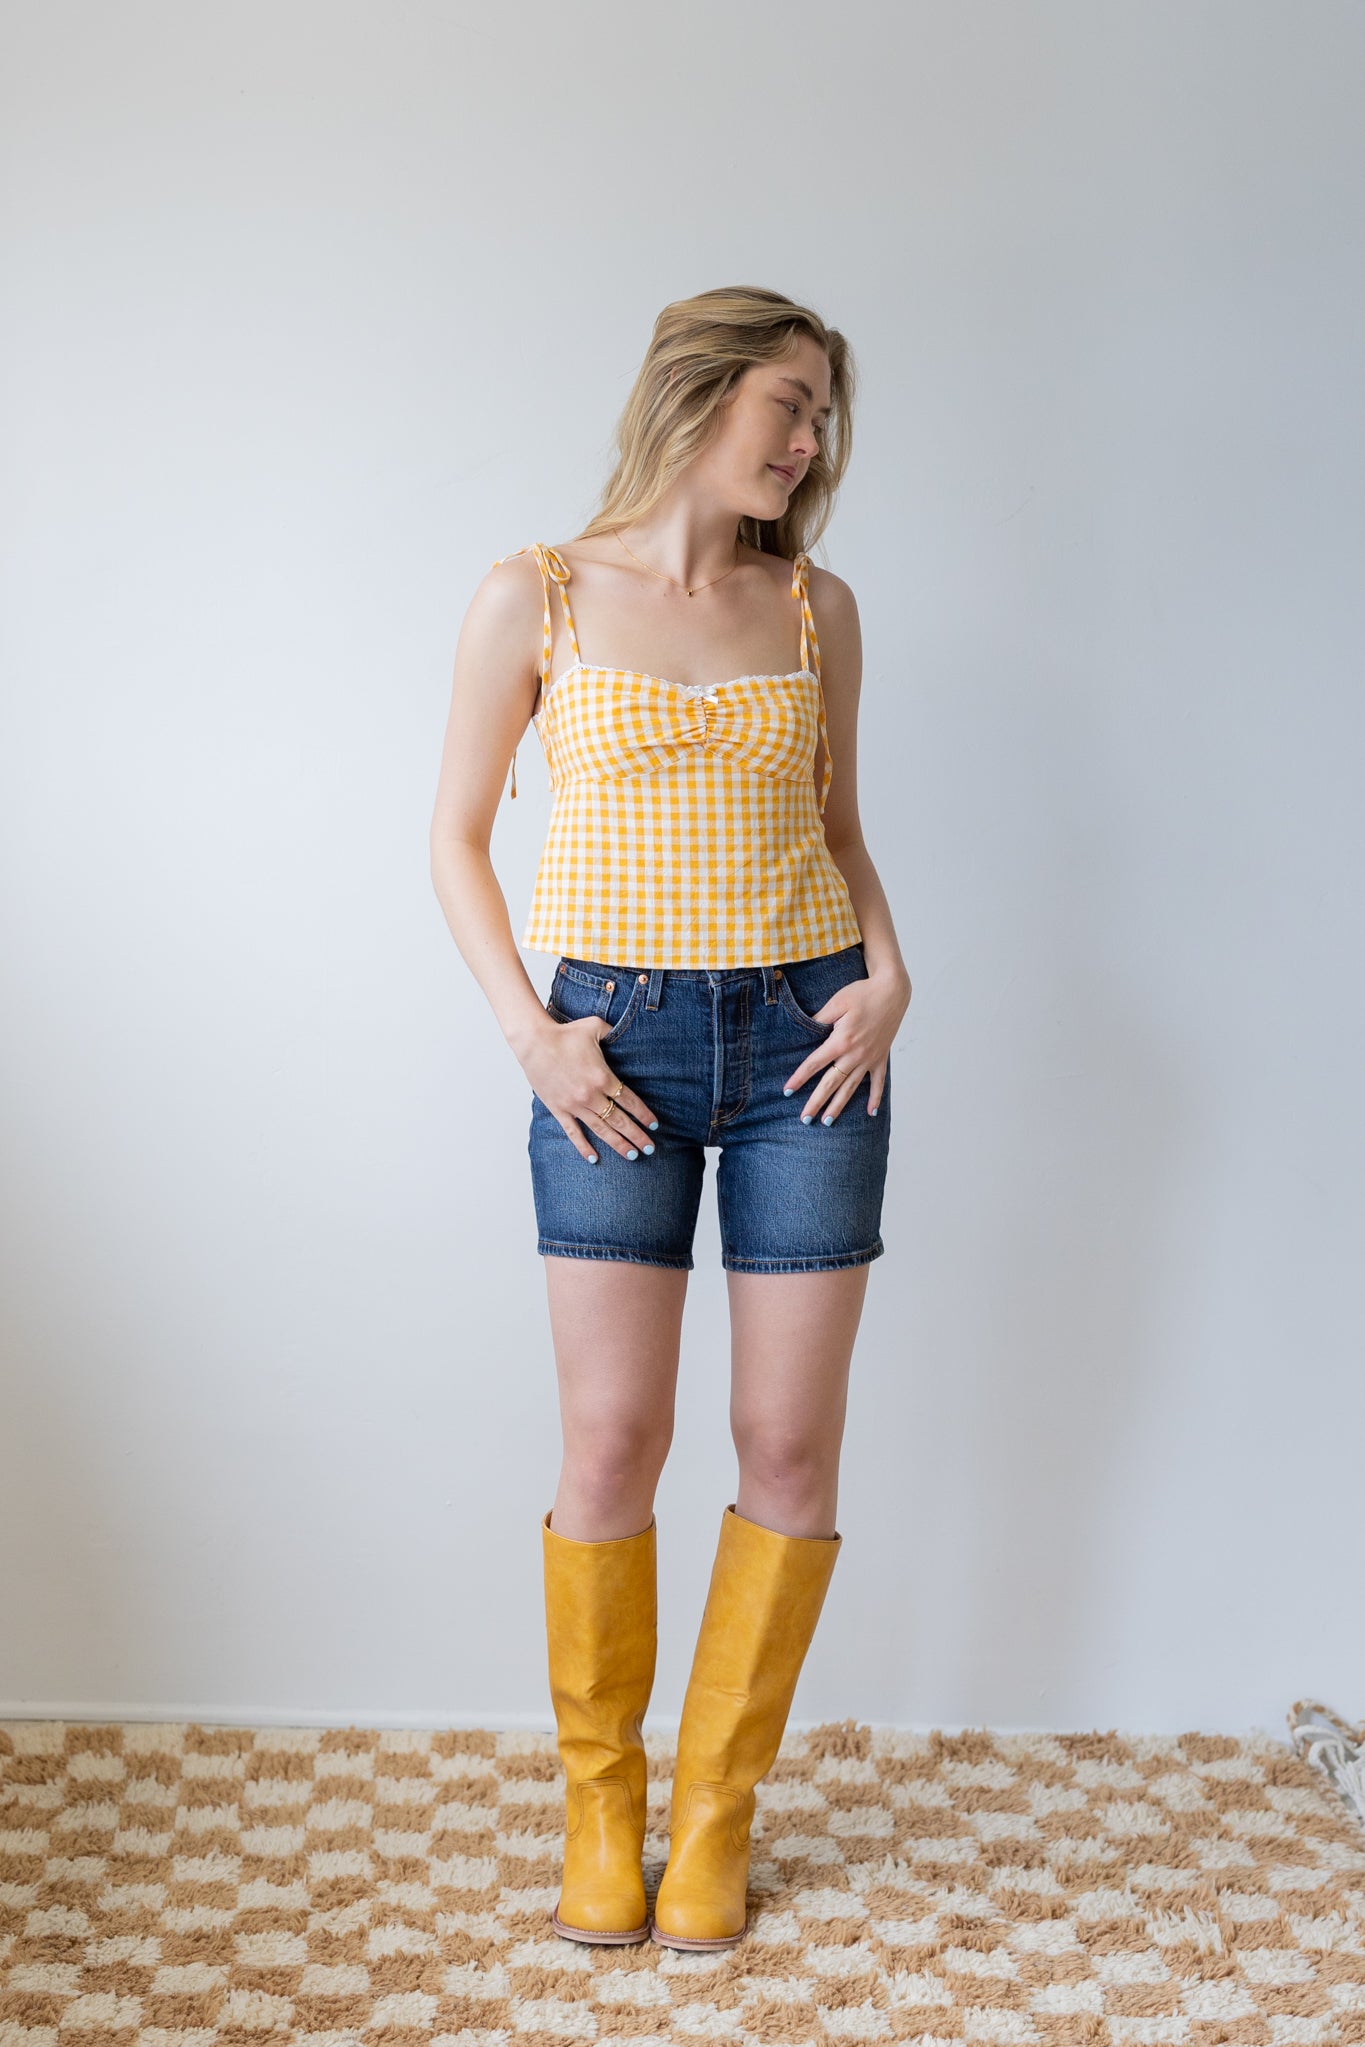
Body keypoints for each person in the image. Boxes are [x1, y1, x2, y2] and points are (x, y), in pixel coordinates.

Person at [428, 286, 912, 1951]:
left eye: (820, 420)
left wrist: (892, 973)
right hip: (607, 1049)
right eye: (786, 403)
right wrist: (533, 1040)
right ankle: (600, 1808)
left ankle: (712, 1821)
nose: (804, 441)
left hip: (806, 1044)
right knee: (611, 1442)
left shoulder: (813, 606)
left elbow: (842, 825)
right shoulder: (536, 594)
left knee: (784, 1445)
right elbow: (453, 840)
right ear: (698, 394)